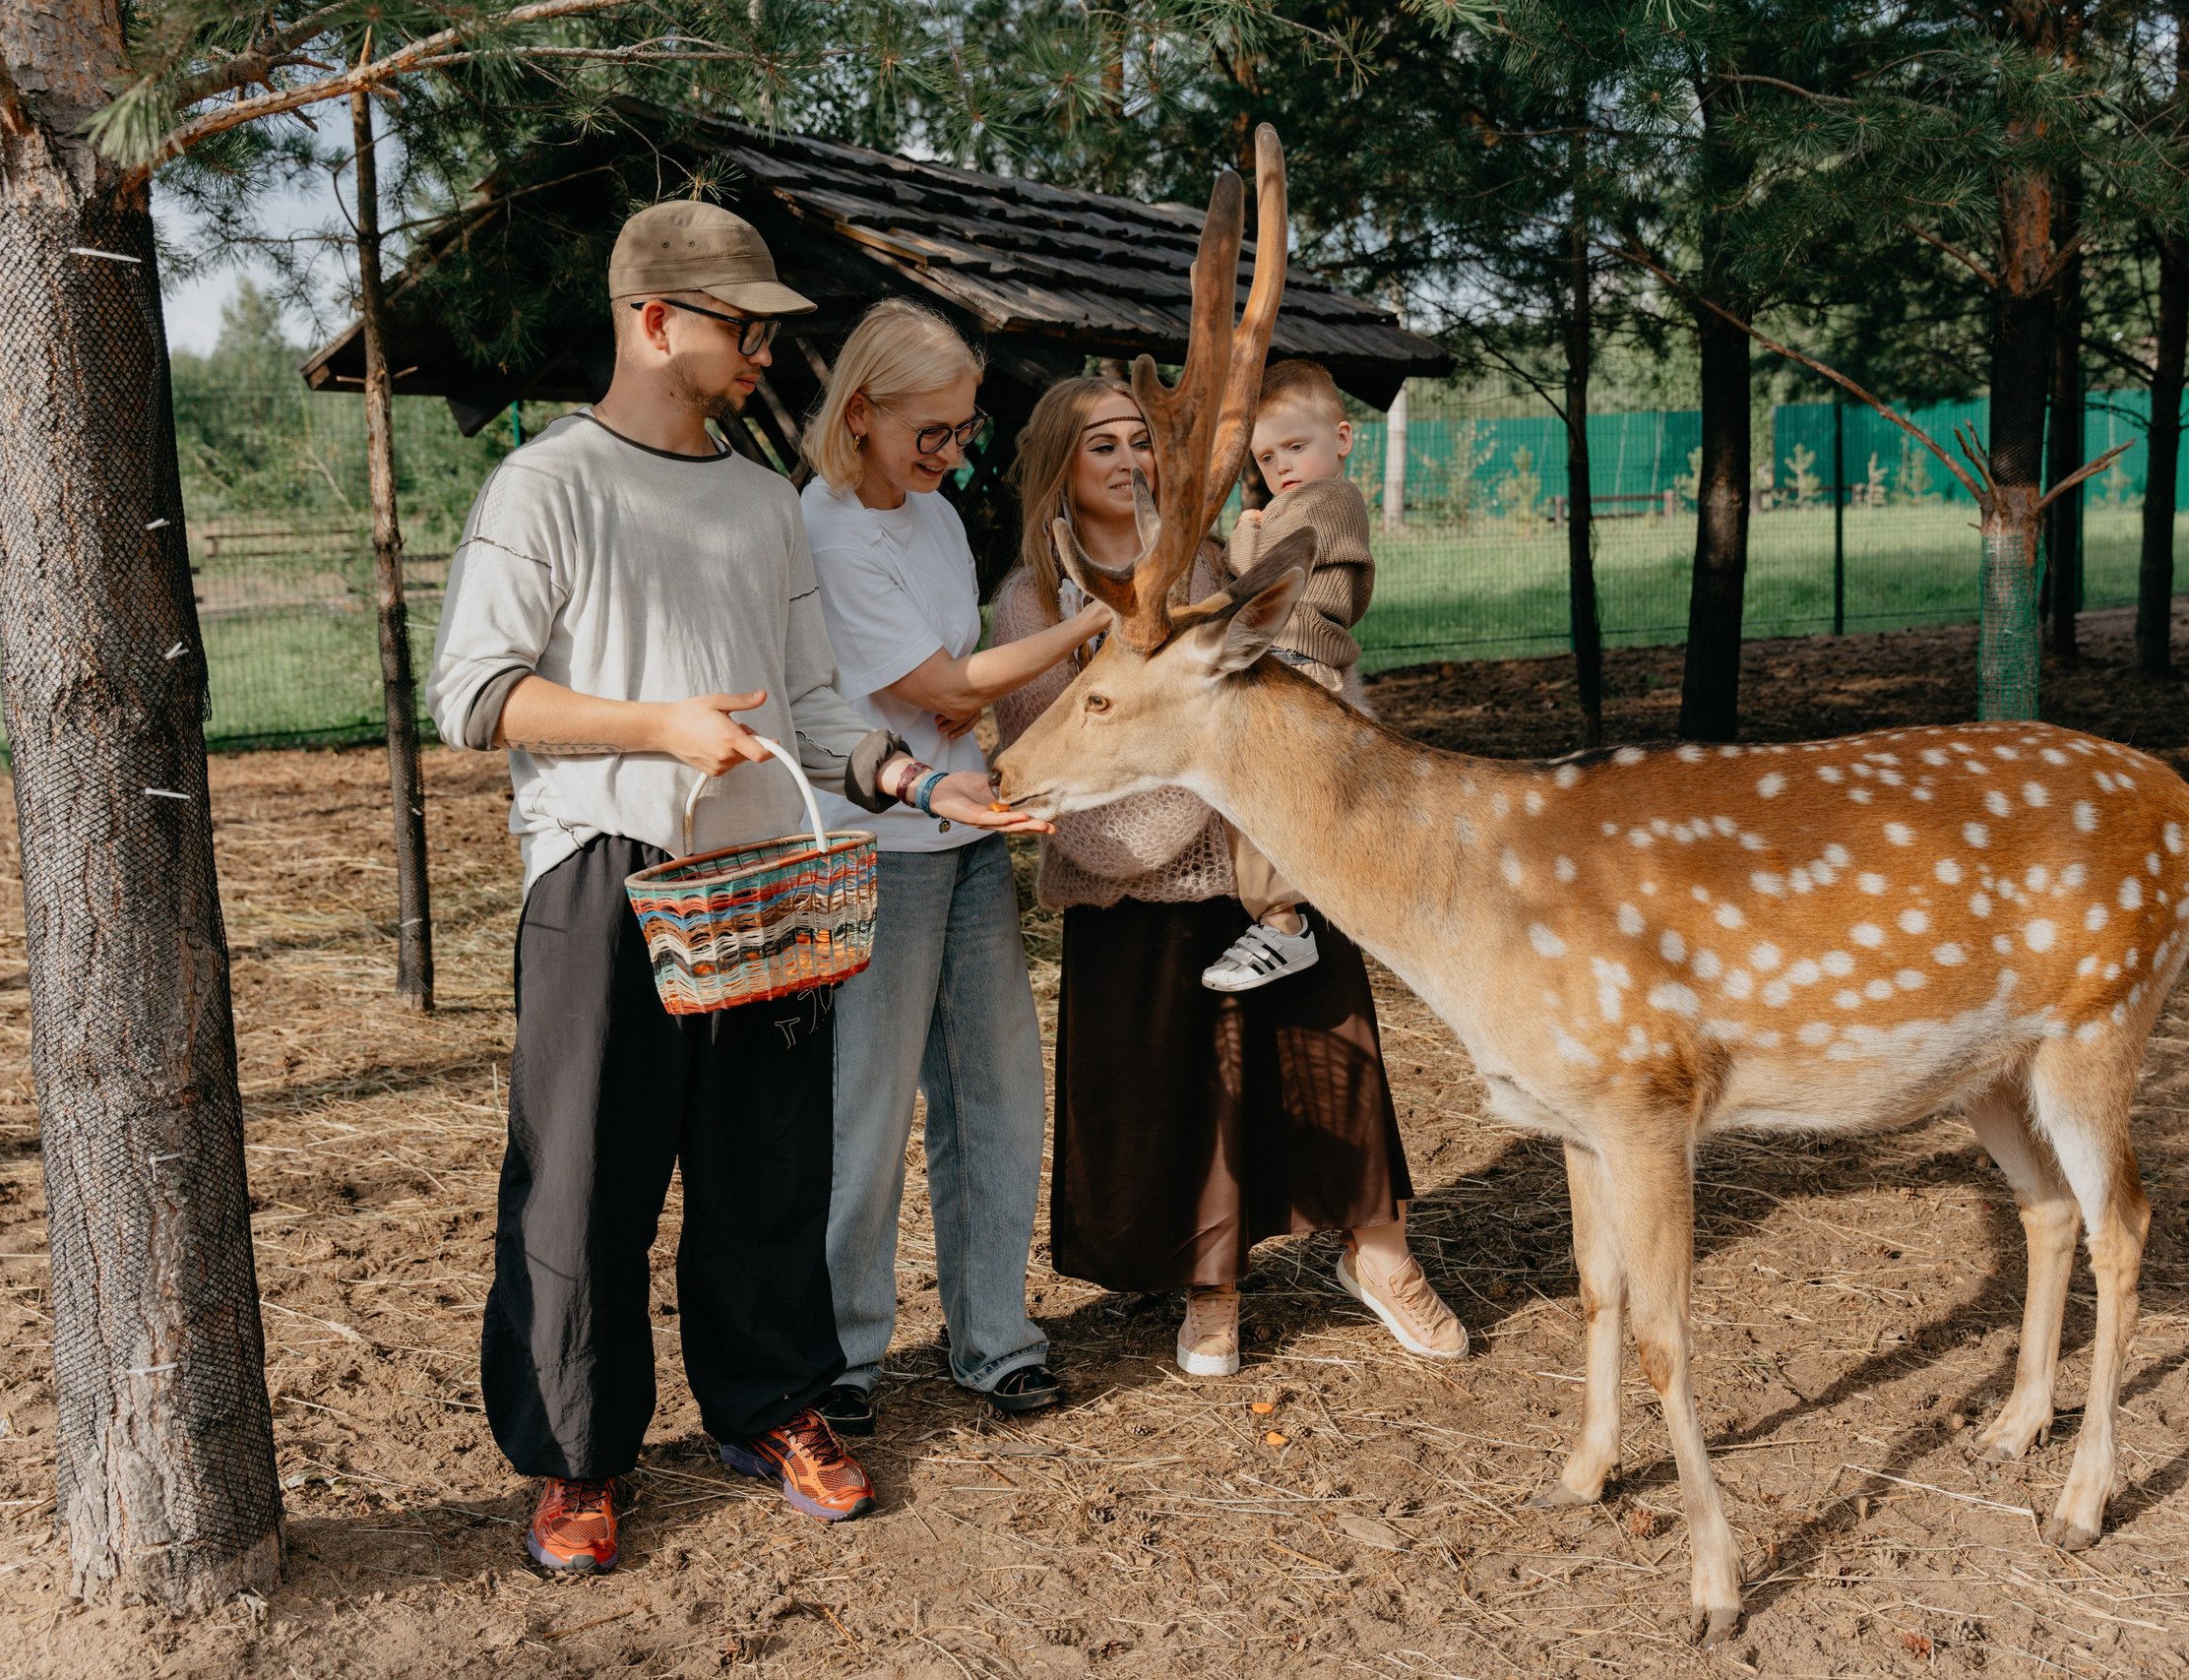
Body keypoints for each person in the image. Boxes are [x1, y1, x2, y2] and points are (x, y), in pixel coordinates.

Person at [425, 201, 1047, 1576]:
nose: (766, 347)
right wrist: (660, 727)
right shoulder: (549, 484)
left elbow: (819, 705)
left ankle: (774, 1405)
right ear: (655, 319)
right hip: (603, 867)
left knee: (769, 1158)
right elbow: (472, 696)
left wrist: (911, 780)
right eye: (742, 322)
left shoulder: (766, 504)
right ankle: (577, 1459)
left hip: (765, 868)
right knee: (583, 1175)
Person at [989, 376, 1469, 1380]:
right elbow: (1070, 801)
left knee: (1340, 1064)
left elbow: (1316, 690)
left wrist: (1292, 794)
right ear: (1058, 472)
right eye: (1102, 446)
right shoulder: (1032, 605)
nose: (1129, 462)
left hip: (1280, 874)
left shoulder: (1213, 569)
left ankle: (1379, 1255)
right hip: (1136, 895)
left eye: (1139, 441)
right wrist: (1226, 779)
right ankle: (1213, 1295)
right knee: (1190, 1097)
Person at [796, 301, 1113, 1436]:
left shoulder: (927, 515)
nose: (952, 453)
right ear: (862, 413)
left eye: (964, 429)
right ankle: (843, 1354)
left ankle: (992, 1337)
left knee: (994, 1096)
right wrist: (1096, 627)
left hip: (971, 834)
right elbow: (944, 689)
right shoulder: (828, 529)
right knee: (868, 1115)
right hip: (877, 851)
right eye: (930, 430)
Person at [1200, 358, 1379, 994]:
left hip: (1299, 667)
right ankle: (1284, 915)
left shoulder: (1329, 499)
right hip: (1291, 668)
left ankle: (1283, 923)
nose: (1282, 468)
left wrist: (1241, 539)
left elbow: (1266, 574)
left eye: (1295, 446)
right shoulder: (1301, 499)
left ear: (1343, 438)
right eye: (1267, 458)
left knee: (1265, 802)